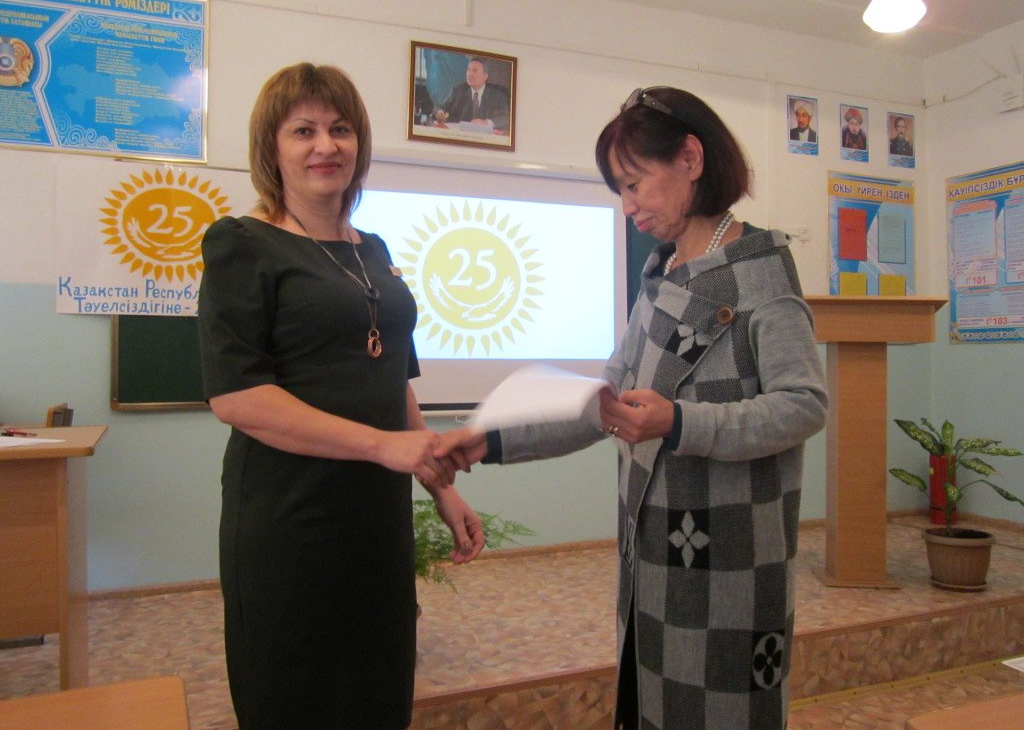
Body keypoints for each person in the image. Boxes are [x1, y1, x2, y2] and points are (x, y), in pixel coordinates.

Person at [438, 86, 828, 730]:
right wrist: (491, 440)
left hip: (730, 563)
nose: (628, 206)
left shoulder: (760, 270)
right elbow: (605, 402)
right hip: (650, 555)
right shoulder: (661, 274)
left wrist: (679, 423)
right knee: (652, 701)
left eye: (634, 183)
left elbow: (804, 406)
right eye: (620, 190)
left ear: (691, 159)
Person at [197, 62, 485, 730]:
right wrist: (382, 446)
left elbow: (393, 380)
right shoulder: (243, 244)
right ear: (272, 148)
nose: (325, 146)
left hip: (375, 519)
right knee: (298, 701)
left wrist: (440, 484)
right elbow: (237, 397)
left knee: (377, 695)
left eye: (341, 129)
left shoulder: (372, 251)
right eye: (303, 131)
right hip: (290, 519)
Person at [434, 56, 511, 130]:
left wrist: (486, 122)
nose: (470, 74)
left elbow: (506, 117)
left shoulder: (497, 95)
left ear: (485, 76)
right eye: (468, 70)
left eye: (475, 70)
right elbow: (439, 108)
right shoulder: (457, 91)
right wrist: (440, 113)